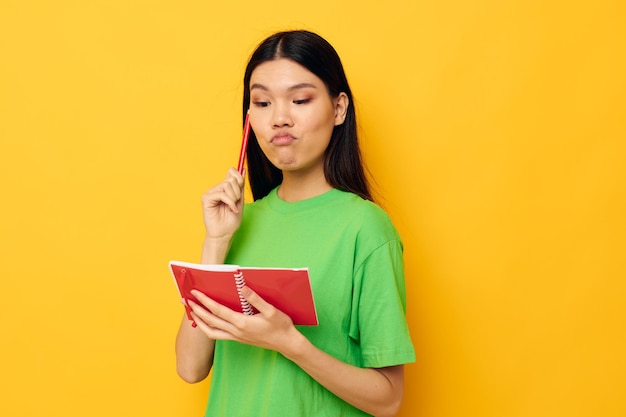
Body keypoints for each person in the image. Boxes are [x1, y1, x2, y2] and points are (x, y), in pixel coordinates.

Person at [175, 30, 415, 417]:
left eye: (300, 99)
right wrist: (216, 243)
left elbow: (387, 400)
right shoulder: (239, 223)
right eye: (263, 102)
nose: (280, 118)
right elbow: (190, 368)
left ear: (339, 109)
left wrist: (289, 342)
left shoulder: (365, 228)